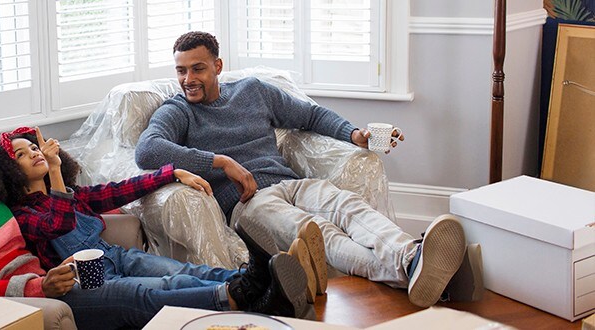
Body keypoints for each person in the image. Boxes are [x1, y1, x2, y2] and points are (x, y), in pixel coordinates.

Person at [134, 31, 468, 308]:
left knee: (349, 207)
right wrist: (219, 162)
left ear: (217, 66)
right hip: (249, 204)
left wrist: (355, 135)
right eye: (181, 71)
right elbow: (148, 150)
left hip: (292, 184)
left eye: (198, 69)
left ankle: (412, 256)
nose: (188, 80)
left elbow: (311, 115)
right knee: (318, 231)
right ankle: (414, 268)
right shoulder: (177, 111)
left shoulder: (253, 91)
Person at [0, 108, 310, 329]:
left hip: (98, 260)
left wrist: (171, 172)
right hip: (58, 283)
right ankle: (248, 295)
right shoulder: (3, 209)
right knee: (146, 291)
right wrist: (54, 169)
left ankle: (261, 278)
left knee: (181, 272)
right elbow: (50, 227)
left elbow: (114, 191)